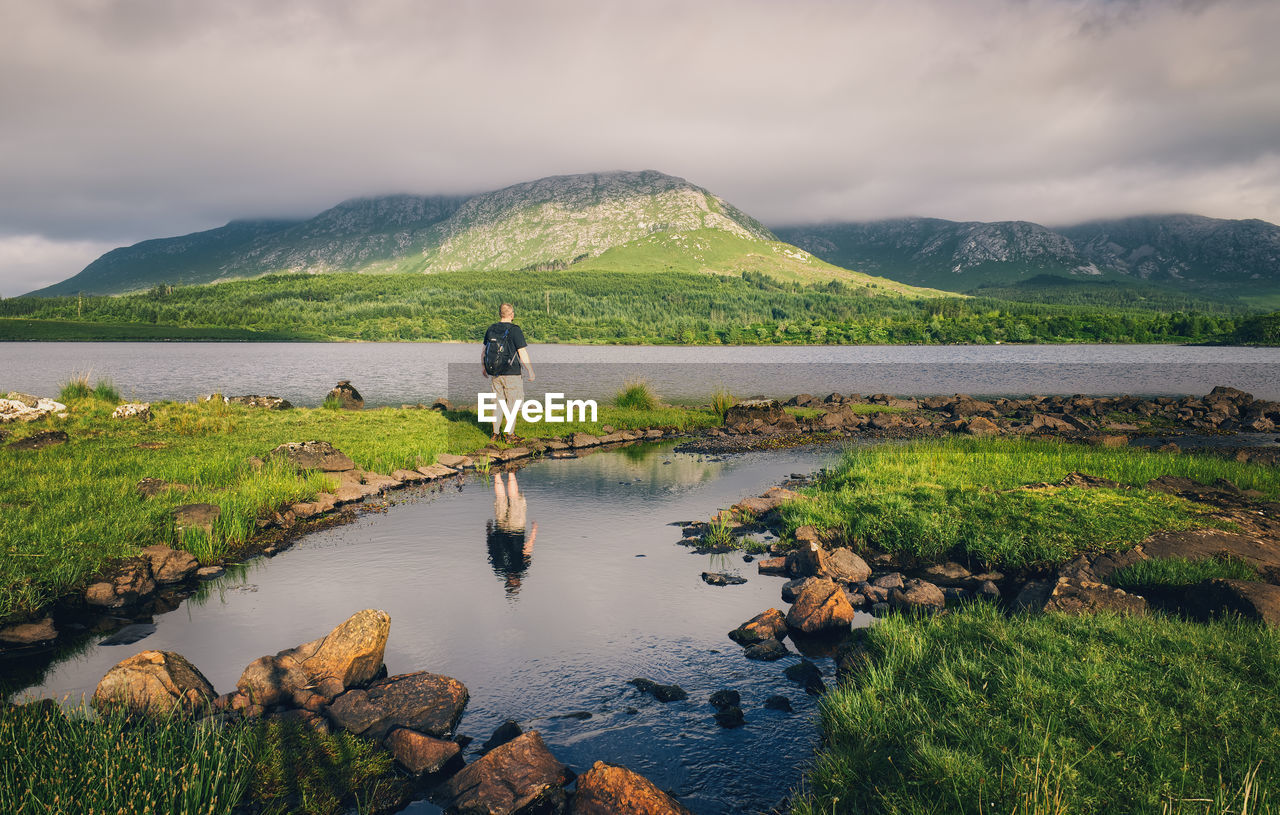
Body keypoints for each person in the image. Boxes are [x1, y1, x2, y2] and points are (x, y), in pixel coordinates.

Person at [481, 302, 534, 442]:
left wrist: (484, 367)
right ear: (512, 314)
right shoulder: (515, 330)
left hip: (495, 373)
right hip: (512, 373)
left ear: (500, 314)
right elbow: (522, 352)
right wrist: (530, 370)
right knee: (512, 404)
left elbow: (484, 351)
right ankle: (510, 435)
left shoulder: (491, 329)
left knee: (497, 403)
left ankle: (495, 434)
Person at [486, 471, 537, 595]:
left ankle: (511, 471)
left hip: (516, 528)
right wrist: (489, 531)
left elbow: (527, 549)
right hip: (501, 528)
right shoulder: (499, 568)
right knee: (501, 499)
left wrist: (534, 532)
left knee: (514, 500)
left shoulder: (520, 568)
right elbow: (492, 548)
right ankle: (497, 473)